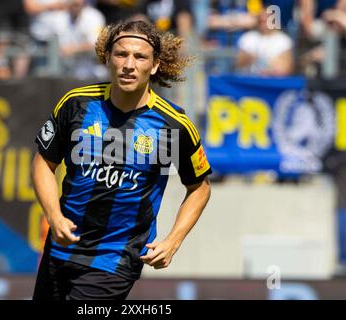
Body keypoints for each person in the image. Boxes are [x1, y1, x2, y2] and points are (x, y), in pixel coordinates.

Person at [31, 19, 212, 300]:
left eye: (140, 57)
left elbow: (199, 188)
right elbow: (44, 162)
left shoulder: (173, 125)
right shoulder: (76, 103)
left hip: (116, 258)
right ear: (108, 58)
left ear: (154, 66)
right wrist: (54, 217)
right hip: (60, 247)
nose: (129, 64)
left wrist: (173, 241)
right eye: (121, 54)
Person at [236, 5, 294, 76]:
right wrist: (249, 58)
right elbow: (239, 63)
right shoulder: (247, 38)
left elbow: (288, 67)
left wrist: (272, 65)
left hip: (273, 82)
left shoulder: (284, 41)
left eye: (266, 21)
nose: (264, 24)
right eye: (261, 21)